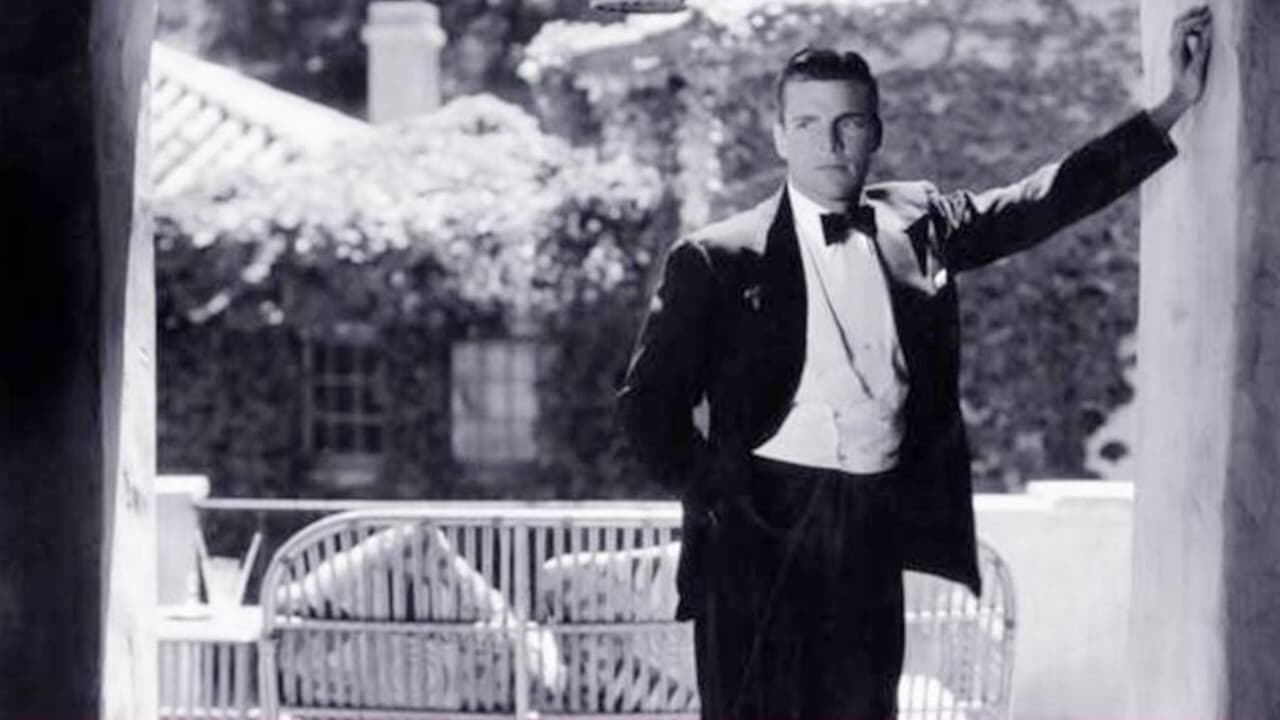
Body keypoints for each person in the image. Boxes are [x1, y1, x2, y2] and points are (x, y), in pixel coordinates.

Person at [617, 6, 1213, 720]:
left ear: (876, 132)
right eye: (806, 123)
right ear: (779, 136)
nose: (829, 143)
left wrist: (1171, 107)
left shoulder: (917, 222)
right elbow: (647, 407)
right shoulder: (715, 258)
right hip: (756, 530)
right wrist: (722, 496)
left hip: (870, 525)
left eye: (849, 122)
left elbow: (1042, 201)